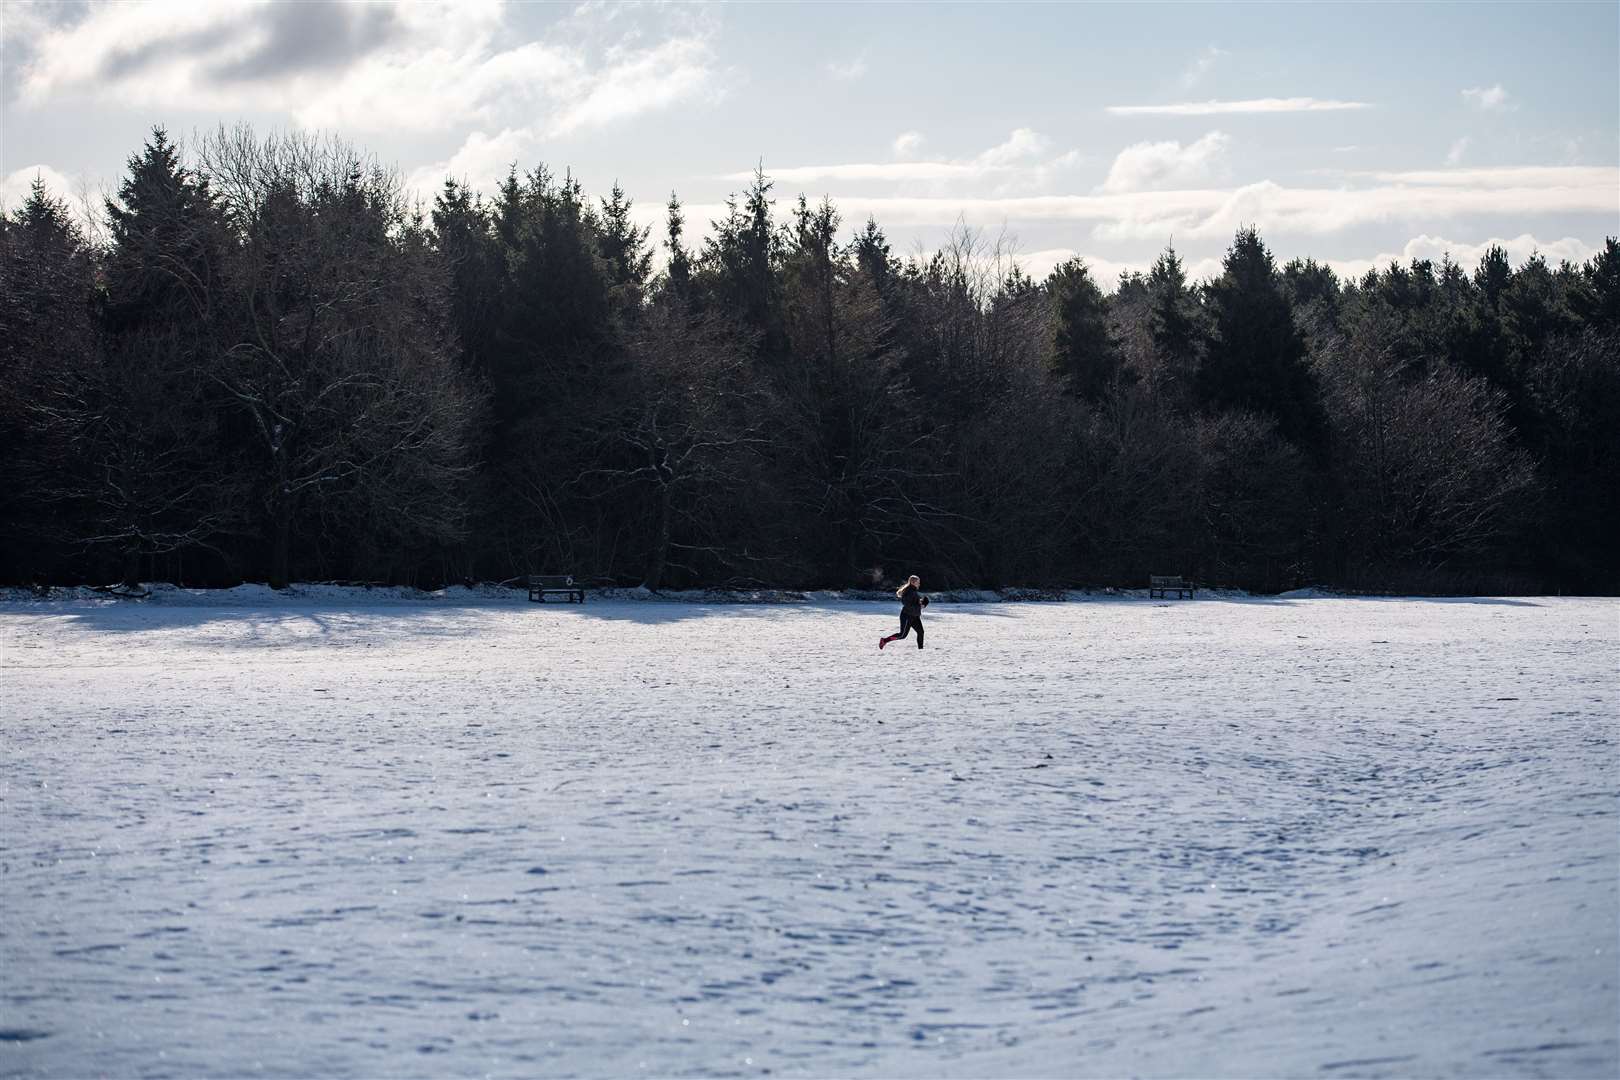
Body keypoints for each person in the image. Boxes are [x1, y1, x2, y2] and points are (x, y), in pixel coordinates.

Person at [879, 574, 928, 650]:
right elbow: (908, 605)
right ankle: (884, 640)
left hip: (914, 616)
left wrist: (923, 603)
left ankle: (920, 650)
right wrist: (920, 606)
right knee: (902, 635)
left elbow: (914, 603)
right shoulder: (908, 592)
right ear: (913, 582)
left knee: (921, 632)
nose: (919, 584)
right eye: (918, 582)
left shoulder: (914, 591)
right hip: (907, 616)